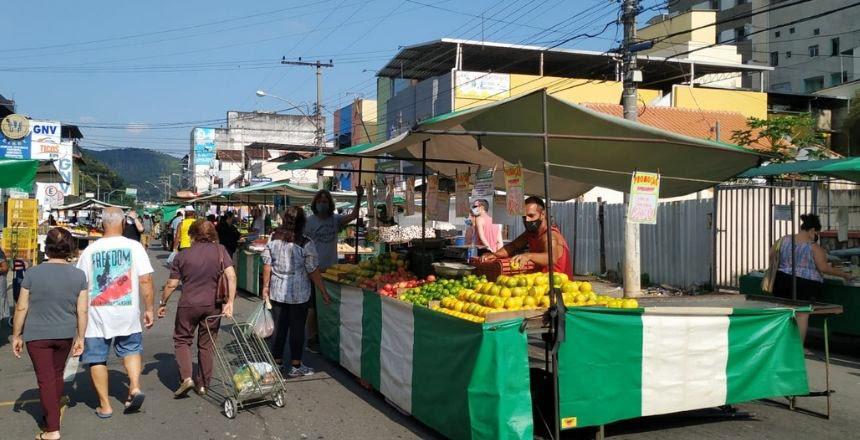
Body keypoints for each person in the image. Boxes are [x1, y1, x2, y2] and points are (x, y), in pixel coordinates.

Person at [76, 207, 155, 418]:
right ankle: (135, 387)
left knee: (97, 359)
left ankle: (105, 405)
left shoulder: (89, 251)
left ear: (102, 224)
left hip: (96, 315)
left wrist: (78, 317)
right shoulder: (134, 247)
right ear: (123, 223)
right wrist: (149, 309)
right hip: (127, 313)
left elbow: (80, 285)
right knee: (131, 350)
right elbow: (145, 280)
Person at [11, 228, 88, 440]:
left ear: (47, 248)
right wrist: (81, 337)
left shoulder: (33, 273)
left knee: (45, 379)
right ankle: (53, 408)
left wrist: (17, 335)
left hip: (37, 335)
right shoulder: (78, 275)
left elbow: (21, 307)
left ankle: (52, 428)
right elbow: (82, 309)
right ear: (70, 248)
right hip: (64, 333)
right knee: (55, 374)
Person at [159, 220, 237, 397]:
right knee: (207, 344)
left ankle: (187, 378)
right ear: (213, 234)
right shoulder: (220, 250)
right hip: (213, 305)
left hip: (188, 304)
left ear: (192, 234)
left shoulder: (183, 256)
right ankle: (203, 384)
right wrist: (230, 302)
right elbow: (231, 276)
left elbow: (171, 284)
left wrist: (162, 303)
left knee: (182, 340)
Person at [262, 207, 332, 377]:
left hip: (278, 291)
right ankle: (295, 365)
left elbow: (267, 263)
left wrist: (265, 287)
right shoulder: (306, 243)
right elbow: (312, 269)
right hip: (299, 295)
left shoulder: (273, 238)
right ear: (302, 223)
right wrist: (323, 291)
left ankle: (277, 362)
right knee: (297, 329)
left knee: (279, 329)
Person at [772, 213, 853, 342]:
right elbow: (823, 268)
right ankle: (797, 350)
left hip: (781, 281)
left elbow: (772, 256)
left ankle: (780, 346)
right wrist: (845, 275)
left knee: (783, 313)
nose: (817, 236)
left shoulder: (783, 240)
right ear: (812, 230)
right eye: (817, 233)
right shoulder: (815, 248)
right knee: (802, 314)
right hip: (805, 285)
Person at [304, 186, 363, 352]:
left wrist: (359, 198)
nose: (323, 204)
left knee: (328, 304)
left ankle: (326, 335)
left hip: (332, 270)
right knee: (313, 307)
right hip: (314, 270)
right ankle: (311, 337)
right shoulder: (309, 222)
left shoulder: (335, 220)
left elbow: (354, 215)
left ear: (330, 203)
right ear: (315, 203)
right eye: (320, 201)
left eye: (325, 201)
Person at [481, 196, 573, 279]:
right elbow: (513, 246)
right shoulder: (531, 233)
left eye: (531, 216)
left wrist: (528, 256)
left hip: (559, 288)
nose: (527, 220)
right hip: (541, 284)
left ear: (542, 215)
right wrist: (495, 254)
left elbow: (551, 258)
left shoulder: (550, 235)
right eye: (524, 217)